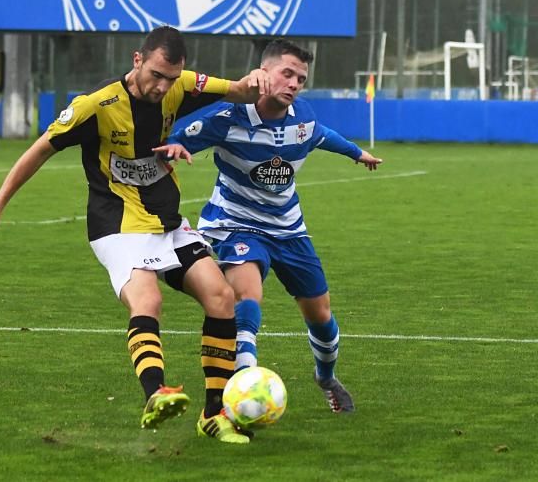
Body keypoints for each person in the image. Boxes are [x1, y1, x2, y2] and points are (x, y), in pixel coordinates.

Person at [0, 26, 269, 444]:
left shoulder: (181, 84)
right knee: (148, 299)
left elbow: (238, 90)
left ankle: (213, 414)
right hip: (116, 224)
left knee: (221, 297)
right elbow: (39, 148)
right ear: (137, 60)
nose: (162, 86)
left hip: (166, 221)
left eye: (171, 78)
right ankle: (156, 394)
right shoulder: (96, 105)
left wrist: (256, 79)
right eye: (156, 75)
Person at [157, 38, 382, 414]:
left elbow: (323, 135)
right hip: (235, 224)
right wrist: (176, 146)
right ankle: (241, 384)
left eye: (301, 78)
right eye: (287, 74)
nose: (294, 83)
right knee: (247, 294)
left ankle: (325, 377)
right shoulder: (227, 118)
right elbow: (178, 135)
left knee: (321, 315)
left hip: (289, 229)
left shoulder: (303, 117)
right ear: (264, 73)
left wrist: (358, 153)